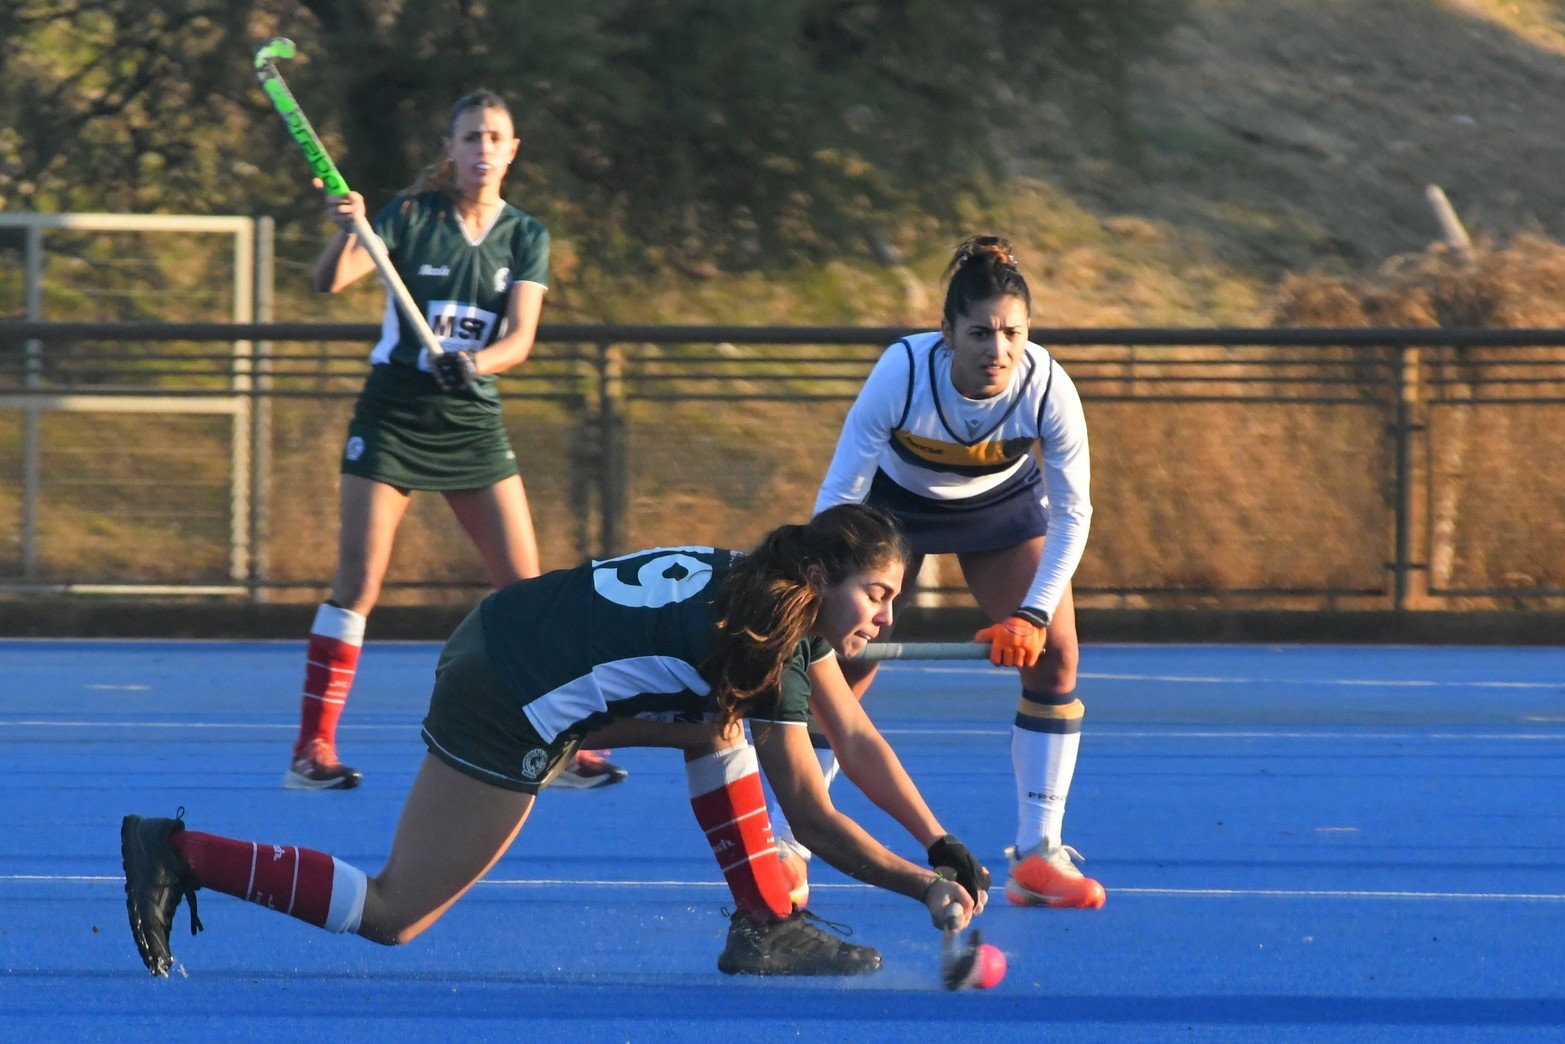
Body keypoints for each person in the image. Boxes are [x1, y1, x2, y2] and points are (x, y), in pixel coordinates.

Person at [122, 504, 990, 978]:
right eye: (876, 595)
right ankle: (183, 851)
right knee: (392, 915)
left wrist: (940, 841)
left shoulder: (774, 597)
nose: (885, 616)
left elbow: (857, 737)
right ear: (819, 579)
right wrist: (920, 888)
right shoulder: (767, 639)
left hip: (512, 635)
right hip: (504, 693)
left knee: (714, 723)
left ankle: (767, 926)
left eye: (893, 600)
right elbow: (809, 809)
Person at [287, 86, 623, 791]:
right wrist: (350, 227)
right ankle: (312, 750)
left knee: (527, 592)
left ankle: (561, 742)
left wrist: (469, 363)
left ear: (512, 150)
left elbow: (520, 340)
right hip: (394, 414)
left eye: (494, 138)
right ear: (450, 149)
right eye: (469, 138)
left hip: (469, 416)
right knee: (357, 584)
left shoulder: (525, 235)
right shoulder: (410, 215)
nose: (482, 151)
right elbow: (329, 280)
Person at [770, 235, 1105, 911]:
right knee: (840, 668)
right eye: (979, 333)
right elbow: (838, 497)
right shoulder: (901, 372)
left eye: (1012, 332)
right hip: (891, 514)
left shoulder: (1047, 386)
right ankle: (786, 848)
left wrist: (1033, 614)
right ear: (946, 331)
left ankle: (1037, 856)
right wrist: (827, 596)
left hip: (1000, 509)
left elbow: (1074, 512)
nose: (997, 349)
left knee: (1057, 658)